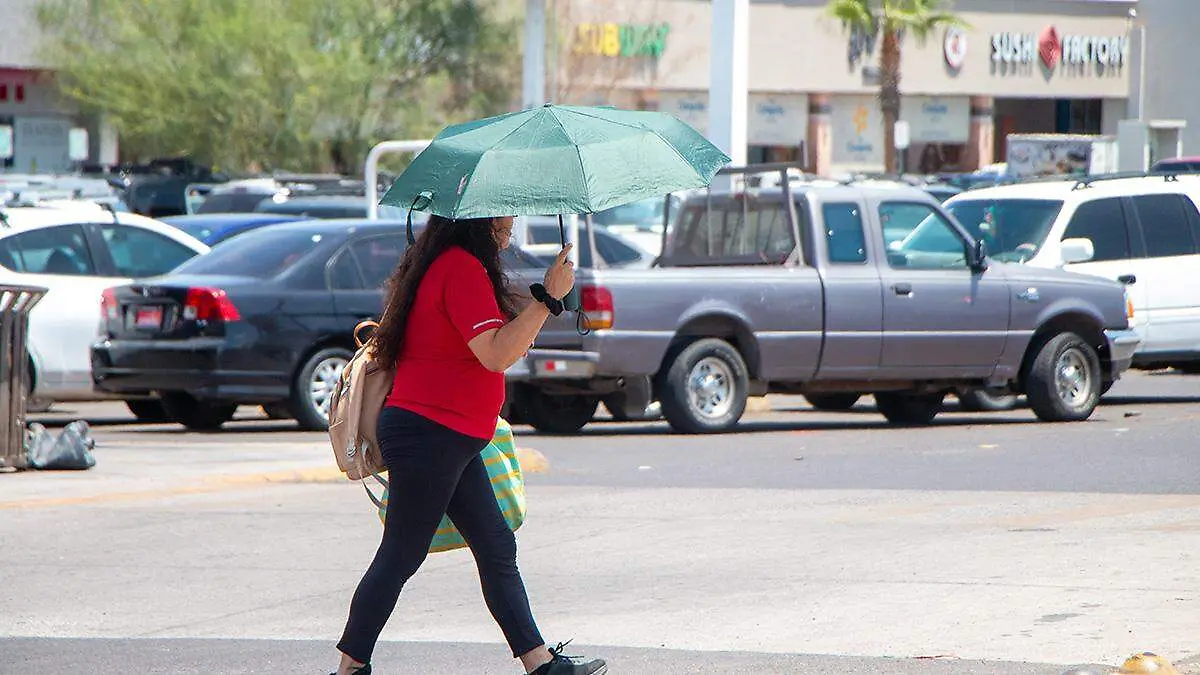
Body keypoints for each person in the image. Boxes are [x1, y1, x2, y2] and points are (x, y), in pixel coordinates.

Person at [332, 215, 607, 675]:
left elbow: (487, 350)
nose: (511, 222)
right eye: (505, 213)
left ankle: (541, 664)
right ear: (482, 219)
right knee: (401, 552)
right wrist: (549, 298)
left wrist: (545, 301)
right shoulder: (459, 268)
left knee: (496, 545)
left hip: (448, 435)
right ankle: (348, 669)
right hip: (431, 432)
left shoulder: (445, 264)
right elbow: (496, 352)